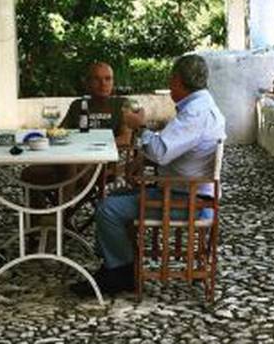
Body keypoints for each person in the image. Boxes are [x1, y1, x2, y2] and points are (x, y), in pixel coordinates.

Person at [70, 54, 226, 296]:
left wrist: (140, 126)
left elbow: (161, 151)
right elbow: (172, 148)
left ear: (176, 81)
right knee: (115, 195)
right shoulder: (204, 106)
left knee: (107, 209)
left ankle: (120, 274)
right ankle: (115, 266)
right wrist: (143, 159)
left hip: (186, 200)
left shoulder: (195, 114)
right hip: (189, 192)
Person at [21, 62, 132, 200]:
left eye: (108, 79)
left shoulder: (121, 105)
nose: (103, 83)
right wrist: (48, 133)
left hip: (100, 167)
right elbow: (60, 133)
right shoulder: (78, 105)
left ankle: (63, 213)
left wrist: (90, 146)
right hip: (67, 161)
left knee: (70, 165)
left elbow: (125, 139)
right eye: (96, 79)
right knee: (28, 173)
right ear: (88, 83)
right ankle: (38, 218)